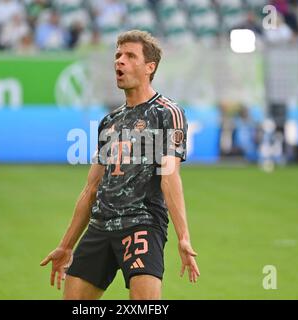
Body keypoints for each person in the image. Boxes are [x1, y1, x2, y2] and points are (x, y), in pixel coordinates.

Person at [40, 30, 200, 300]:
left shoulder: (167, 112)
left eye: (129, 56)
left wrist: (184, 237)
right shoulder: (109, 122)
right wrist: (66, 245)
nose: (119, 61)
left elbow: (169, 176)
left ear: (150, 67)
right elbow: (91, 188)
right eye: (117, 55)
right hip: (100, 226)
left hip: (142, 225)